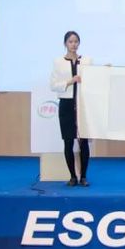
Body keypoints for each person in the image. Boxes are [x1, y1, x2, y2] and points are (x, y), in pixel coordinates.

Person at [49, 31, 92, 187]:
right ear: (65, 43)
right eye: (70, 41)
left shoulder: (86, 61)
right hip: (66, 104)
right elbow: (53, 85)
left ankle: (84, 176)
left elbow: (93, 79)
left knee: (84, 141)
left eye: (76, 41)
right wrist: (70, 81)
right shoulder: (58, 62)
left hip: (82, 104)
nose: (73, 44)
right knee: (68, 141)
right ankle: (73, 176)